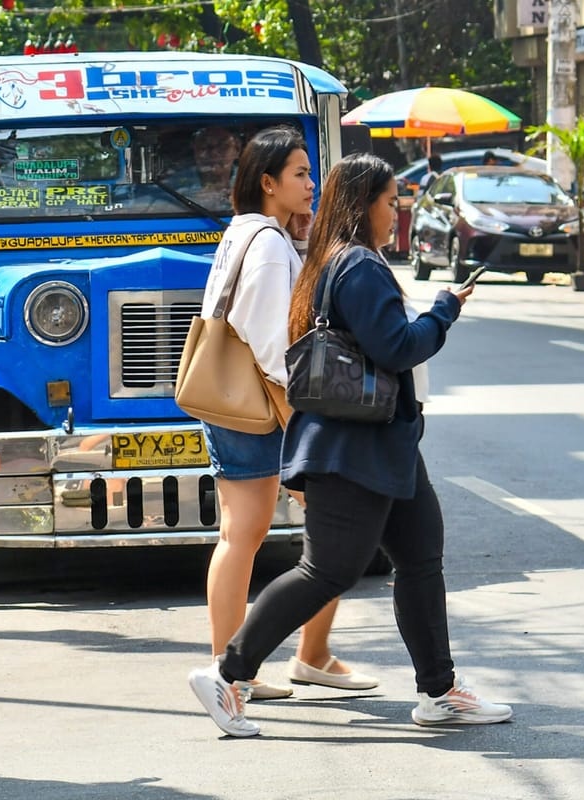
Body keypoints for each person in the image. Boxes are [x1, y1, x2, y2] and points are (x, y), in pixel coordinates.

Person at [191, 153, 512, 737]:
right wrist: (443, 311)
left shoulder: (332, 260)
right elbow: (397, 347)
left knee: (419, 558)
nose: (398, 213)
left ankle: (439, 691)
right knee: (327, 571)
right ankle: (227, 673)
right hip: (354, 446)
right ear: (365, 205)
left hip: (382, 442)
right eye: (391, 202)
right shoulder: (358, 266)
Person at [188, 127, 377, 704]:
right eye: (299, 173)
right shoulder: (267, 243)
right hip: (269, 404)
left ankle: (236, 666)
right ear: (267, 183)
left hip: (234, 405)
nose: (310, 182)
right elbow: (273, 341)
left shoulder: (246, 232)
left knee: (241, 535)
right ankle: (299, 657)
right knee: (334, 525)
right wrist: (305, 405)